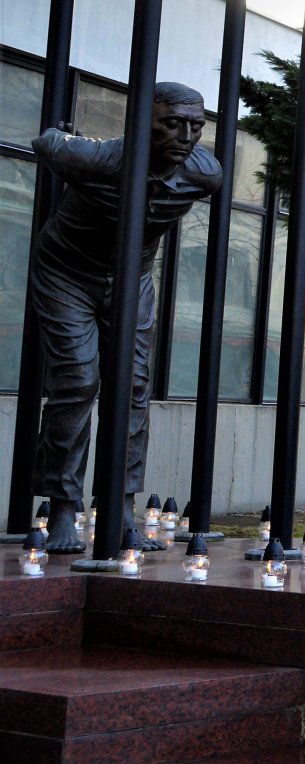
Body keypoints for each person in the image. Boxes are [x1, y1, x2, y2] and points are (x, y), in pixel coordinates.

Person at [28, 84, 221, 553]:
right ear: (142, 122)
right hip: (67, 274)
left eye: (196, 126)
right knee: (77, 382)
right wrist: (63, 135)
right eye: (172, 123)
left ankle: (121, 509)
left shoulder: (204, 174)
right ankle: (63, 508)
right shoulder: (96, 159)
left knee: (132, 389)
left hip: (132, 280)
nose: (186, 136)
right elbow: (46, 143)